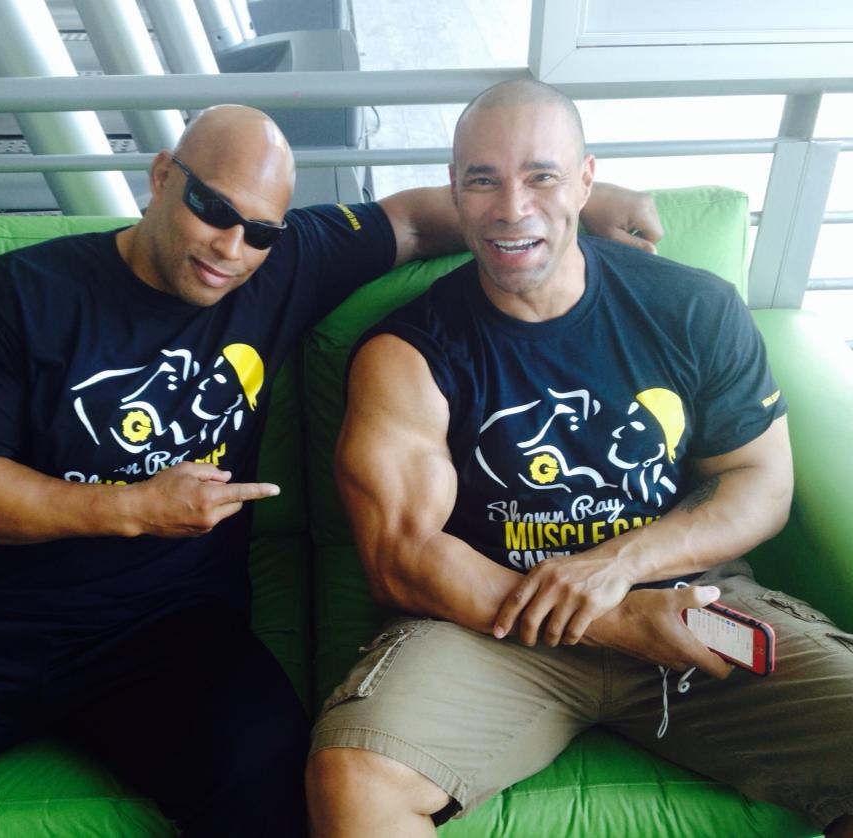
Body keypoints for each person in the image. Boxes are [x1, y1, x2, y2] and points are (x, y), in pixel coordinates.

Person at [0, 103, 662, 836]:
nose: (230, 248)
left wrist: (578, 204)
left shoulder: (282, 263)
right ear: (161, 176)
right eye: (213, 211)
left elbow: (412, 221)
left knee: (275, 794)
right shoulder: (20, 292)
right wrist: (132, 507)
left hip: (168, 637)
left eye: (259, 229)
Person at [306, 80, 853, 837]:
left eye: (542, 176)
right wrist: (615, 618)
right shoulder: (408, 354)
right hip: (488, 624)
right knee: (356, 781)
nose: (512, 207)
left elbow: (760, 482)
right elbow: (402, 557)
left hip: (689, 605)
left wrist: (619, 565)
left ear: (586, 181)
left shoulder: (692, 308)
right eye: (483, 181)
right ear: (455, 192)